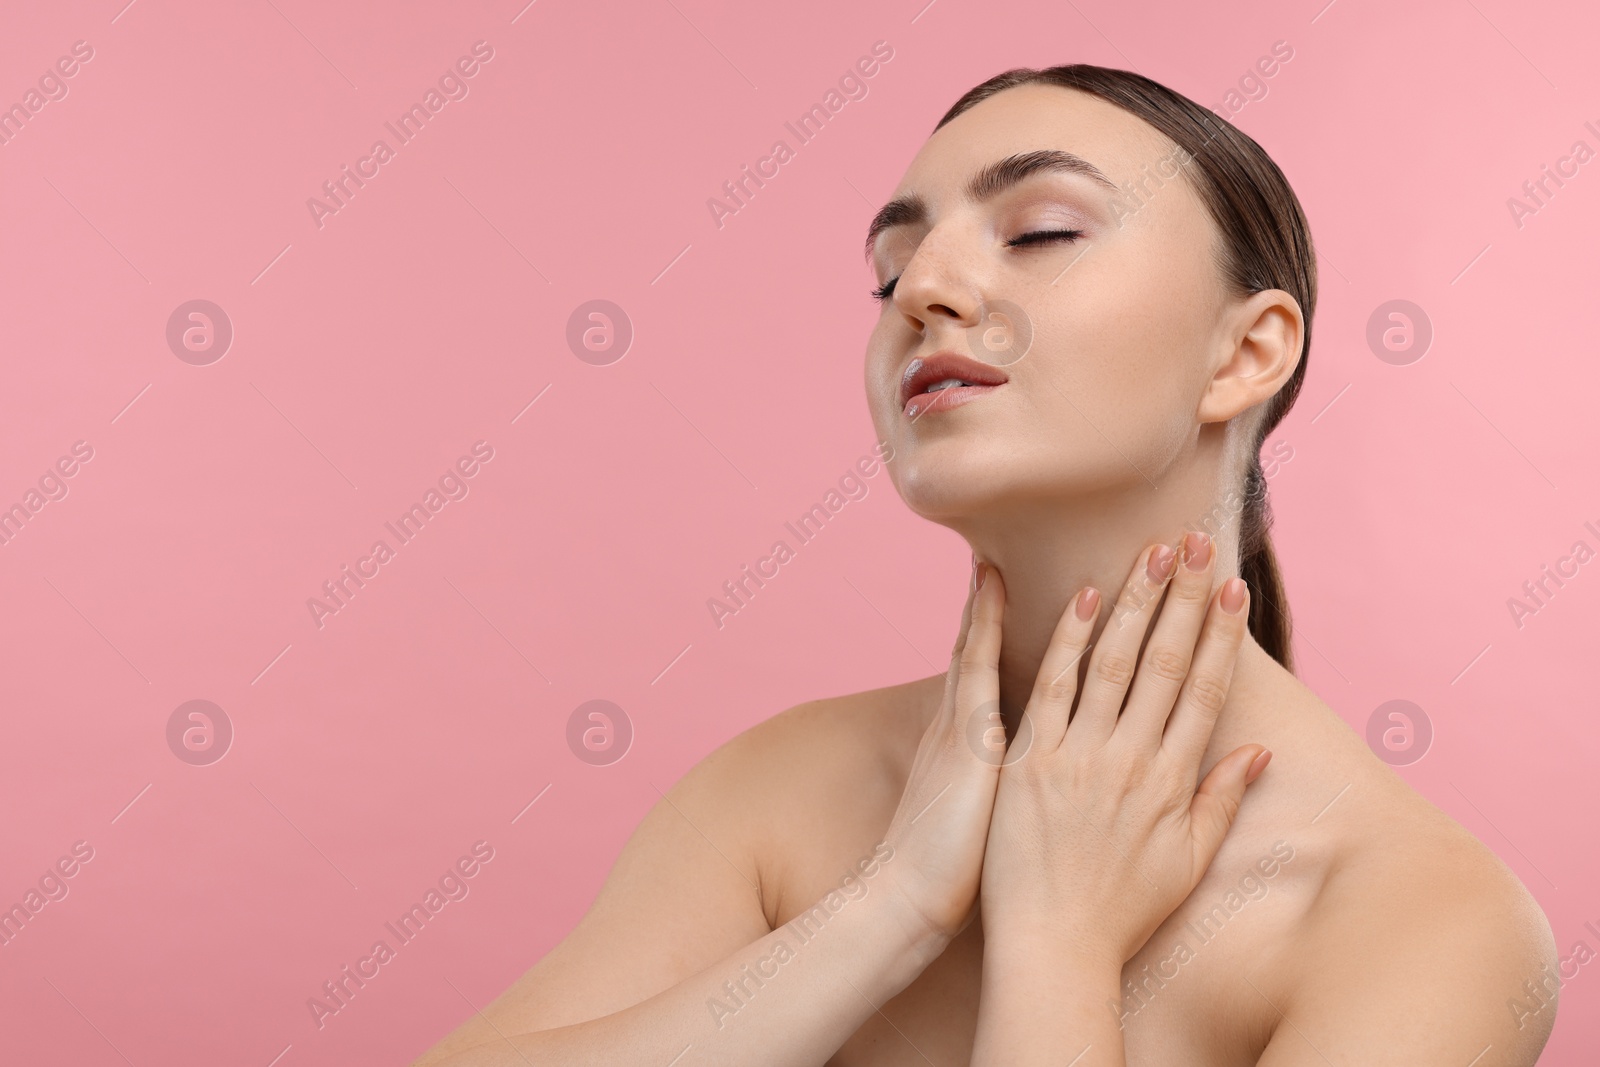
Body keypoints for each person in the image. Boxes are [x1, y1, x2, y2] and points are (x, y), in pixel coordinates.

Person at [415, 64, 1558, 1065]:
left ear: (1245, 351)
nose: (921, 291)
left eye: (1041, 230)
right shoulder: (780, 794)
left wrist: (1056, 937)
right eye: (891, 269)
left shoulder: (1425, 919)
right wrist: (890, 908)